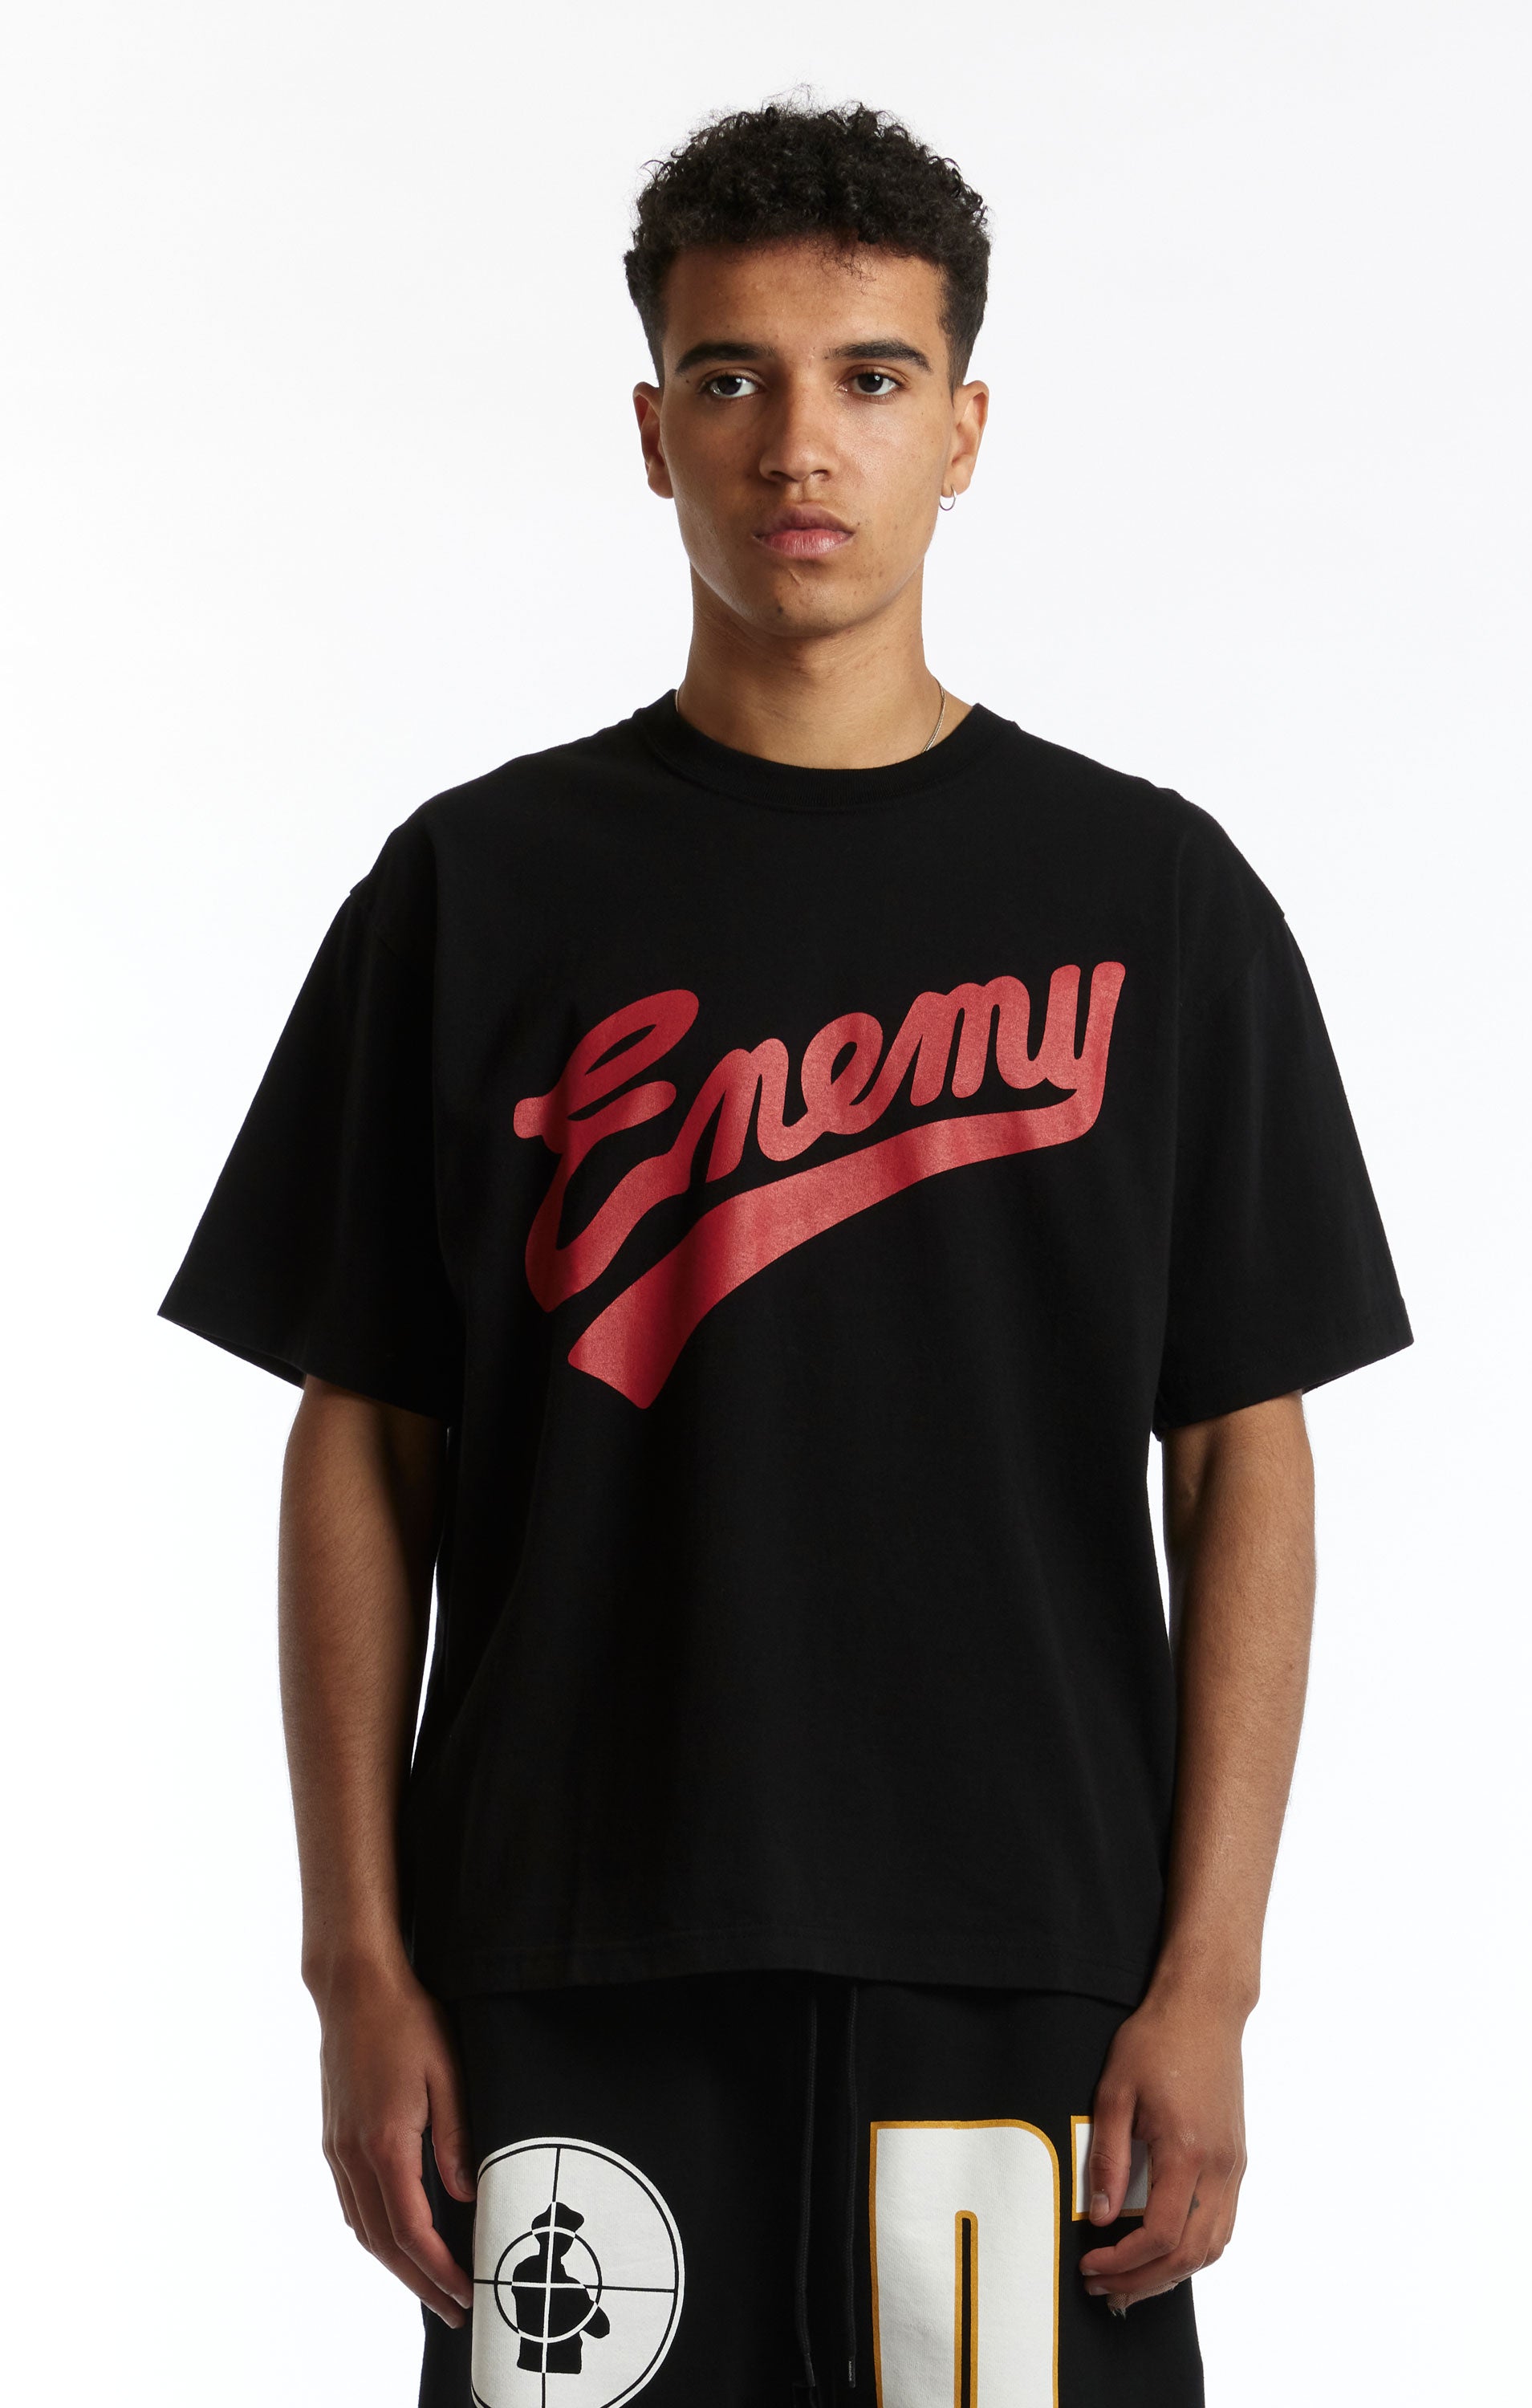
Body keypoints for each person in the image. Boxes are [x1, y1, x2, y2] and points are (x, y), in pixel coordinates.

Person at [161, 100, 1412, 2407]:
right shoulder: (477, 891)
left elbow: (1244, 1449)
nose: (798, 444)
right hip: (571, 1956)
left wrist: (1209, 1978)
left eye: (869, 376)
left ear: (966, 430)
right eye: (730, 377)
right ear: (653, 431)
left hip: (1026, 1971)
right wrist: (360, 1966)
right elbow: (363, 1436)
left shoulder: (1153, 901)